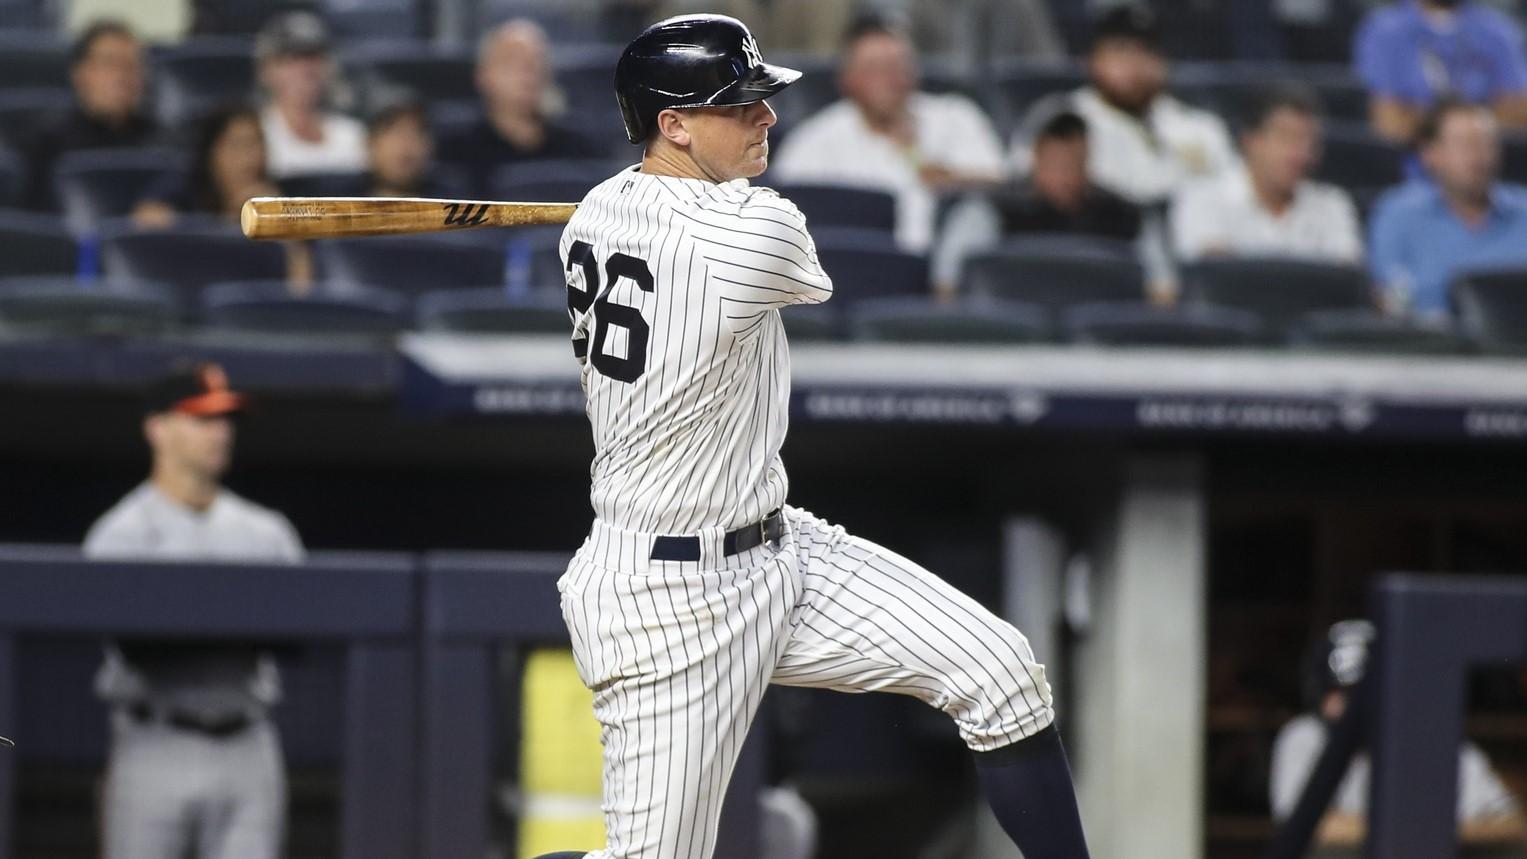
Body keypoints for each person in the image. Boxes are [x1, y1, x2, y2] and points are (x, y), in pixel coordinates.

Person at [532, 14, 1089, 859]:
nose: (767, 118)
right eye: (739, 104)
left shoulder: (597, 216)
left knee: (999, 671)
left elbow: (655, 208)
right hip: (666, 599)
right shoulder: (754, 232)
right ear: (673, 125)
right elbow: (748, 242)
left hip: (778, 551)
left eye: (761, 99)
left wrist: (666, 185)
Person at [84, 362, 303, 859]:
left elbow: (298, 639)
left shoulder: (266, 532)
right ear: (157, 429)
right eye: (201, 419)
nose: (219, 433)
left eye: (225, 420)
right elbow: (130, 644)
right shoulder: (122, 533)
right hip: (155, 738)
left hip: (247, 740)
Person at [1270, 619, 1524, 848]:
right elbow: (1313, 828)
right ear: (1320, 694)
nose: (1358, 707)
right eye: (1344, 694)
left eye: (1369, 694)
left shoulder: (1432, 740)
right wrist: (1430, 832)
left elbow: (1509, 825)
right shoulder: (1305, 737)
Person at [770, 16, 1007, 253]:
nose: (893, 79)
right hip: (859, 270)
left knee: (975, 215)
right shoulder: (814, 141)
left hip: (942, 257)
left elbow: (1002, 183)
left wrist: (952, 179)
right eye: (876, 69)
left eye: (900, 66)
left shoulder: (955, 116)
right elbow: (786, 220)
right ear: (847, 80)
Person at [933, 101, 1142, 294]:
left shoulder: (1117, 211)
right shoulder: (997, 206)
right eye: (1055, 163)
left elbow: (1158, 283)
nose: (1064, 175)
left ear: (1087, 161)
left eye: (1072, 164)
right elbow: (948, 278)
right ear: (1036, 158)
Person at [1048, 4, 1237, 209]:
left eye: (1145, 51)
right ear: (1093, 59)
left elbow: (1234, 201)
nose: (1133, 63)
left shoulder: (1203, 128)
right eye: (1120, 50)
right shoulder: (1059, 118)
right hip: (1097, 234)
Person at [1368, 98, 1527, 318]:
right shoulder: (1398, 214)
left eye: (1487, 143)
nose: (1479, 156)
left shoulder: (1523, 212)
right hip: (1427, 345)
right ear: (1430, 154)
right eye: (1465, 144)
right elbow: (1388, 297)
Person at [1171, 86, 1364, 264]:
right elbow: (1212, 280)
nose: (1301, 155)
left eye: (1310, 143)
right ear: (1250, 141)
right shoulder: (1203, 197)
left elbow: (1346, 276)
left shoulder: (1332, 204)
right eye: (1287, 138)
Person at [130, 105, 313, 289]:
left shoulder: (276, 198)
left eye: (258, 144)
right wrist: (227, 223)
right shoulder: (185, 186)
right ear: (212, 152)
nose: (251, 157)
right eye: (238, 145)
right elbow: (147, 223)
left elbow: (300, 289)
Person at [436, 19, 605, 187]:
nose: (526, 72)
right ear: (483, 75)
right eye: (511, 61)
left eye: (535, 62)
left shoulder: (581, 149)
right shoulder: (453, 152)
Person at [24, 19, 160, 211]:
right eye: (109, 63)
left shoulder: (162, 142)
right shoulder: (49, 142)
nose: (122, 76)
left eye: (131, 65)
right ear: (80, 73)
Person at [1354, 0, 1527, 145]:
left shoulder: (1498, 31)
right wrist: (1480, 120)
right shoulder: (1385, 30)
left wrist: (1419, 117)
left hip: (1491, 173)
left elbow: (1519, 114)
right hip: (1409, 173)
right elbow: (1391, 123)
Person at [256, 11, 367, 179]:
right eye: (293, 58)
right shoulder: (256, 135)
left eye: (314, 57)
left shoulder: (353, 136)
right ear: (267, 70)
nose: (306, 69)